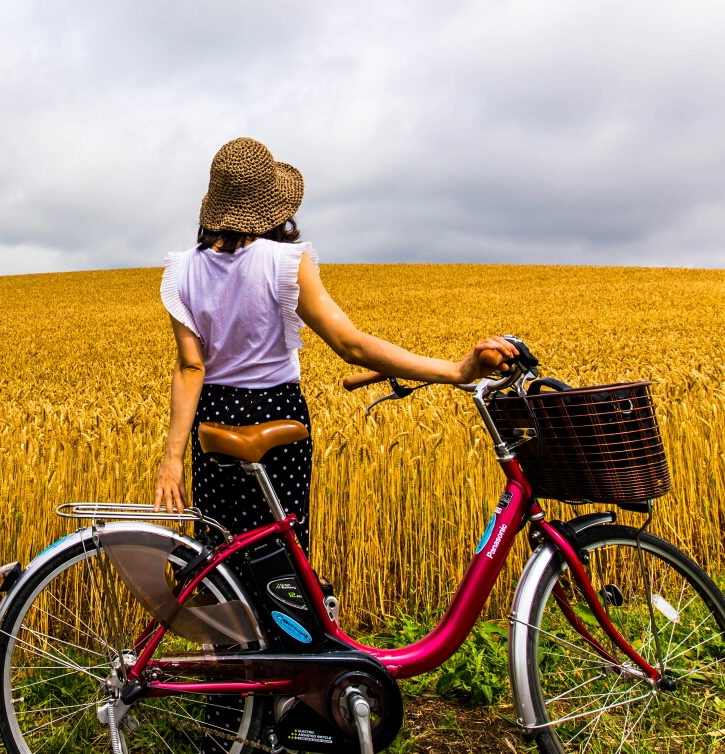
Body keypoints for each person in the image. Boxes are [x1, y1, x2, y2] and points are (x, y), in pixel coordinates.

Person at [153, 137, 517, 555]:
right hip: (274, 413)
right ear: (273, 208)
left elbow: (190, 368)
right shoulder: (283, 262)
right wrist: (456, 370)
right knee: (282, 556)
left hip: (212, 417)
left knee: (220, 552)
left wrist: (172, 459)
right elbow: (351, 345)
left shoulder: (180, 270)